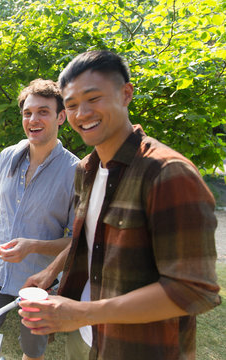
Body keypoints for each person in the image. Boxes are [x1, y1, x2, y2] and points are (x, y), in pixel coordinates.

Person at [19, 50, 221, 360]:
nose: (81, 113)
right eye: (71, 105)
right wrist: (52, 270)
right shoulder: (86, 169)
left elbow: (195, 290)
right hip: (87, 340)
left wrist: (85, 313)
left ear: (126, 94)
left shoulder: (166, 173)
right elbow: (91, 239)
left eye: (93, 98)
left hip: (140, 348)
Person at [0, 79, 79, 360]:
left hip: (38, 284)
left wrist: (32, 246)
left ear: (61, 117)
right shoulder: (8, 156)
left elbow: (76, 240)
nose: (33, 119)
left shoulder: (75, 172)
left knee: (32, 353)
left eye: (43, 112)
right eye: (27, 112)